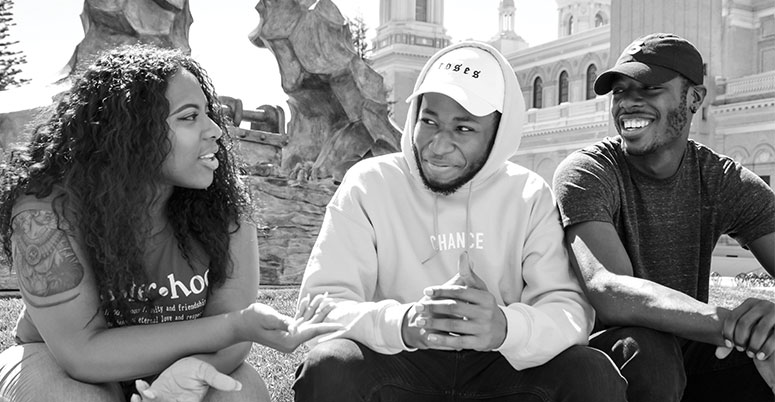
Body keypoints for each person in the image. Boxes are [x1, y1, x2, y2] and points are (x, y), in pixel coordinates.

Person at [0, 44, 340, 402]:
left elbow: (232, 342)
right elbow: (81, 353)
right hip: (58, 365)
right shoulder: (43, 210)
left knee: (240, 393)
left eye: (209, 114)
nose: (216, 131)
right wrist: (234, 326)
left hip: (176, 362)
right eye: (189, 117)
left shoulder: (226, 202)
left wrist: (184, 375)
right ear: (133, 131)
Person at [292, 41, 627, 402]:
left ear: (498, 132)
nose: (438, 146)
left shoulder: (528, 194)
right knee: (330, 366)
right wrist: (405, 324)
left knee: (591, 374)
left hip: (500, 368)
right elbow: (318, 309)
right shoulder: (369, 184)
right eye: (429, 121)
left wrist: (503, 327)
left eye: (464, 129)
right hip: (399, 363)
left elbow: (568, 311)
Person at [553, 32, 775, 402]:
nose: (629, 102)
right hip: (605, 361)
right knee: (652, 354)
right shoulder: (588, 171)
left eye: (649, 88)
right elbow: (609, 289)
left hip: (692, 349)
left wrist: (764, 325)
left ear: (694, 99)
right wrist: (729, 324)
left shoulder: (721, 180)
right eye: (621, 90)